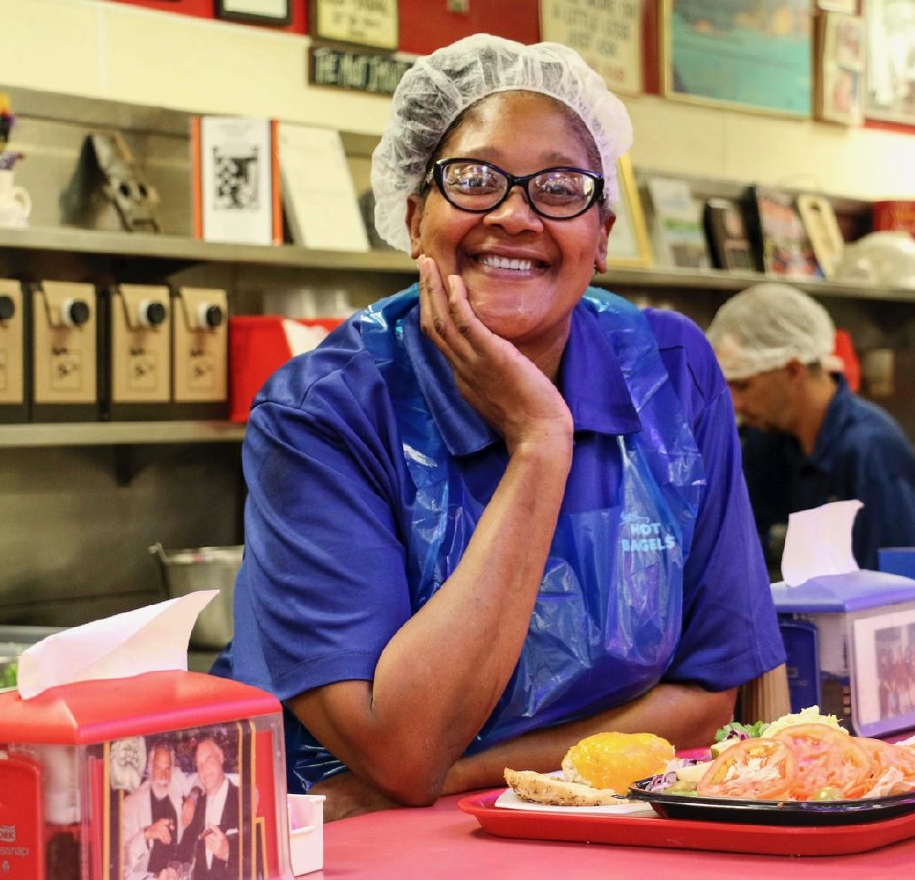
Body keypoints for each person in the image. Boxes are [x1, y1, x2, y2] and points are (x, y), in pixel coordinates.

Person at [215, 33, 786, 820]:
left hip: (600, 833)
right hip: (355, 854)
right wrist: (539, 445)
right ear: (415, 219)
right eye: (475, 180)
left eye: (559, 188)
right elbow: (402, 746)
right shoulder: (324, 413)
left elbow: (708, 698)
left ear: (604, 236)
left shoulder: (669, 370)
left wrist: (468, 775)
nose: (515, 216)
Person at [705, 282, 915, 571]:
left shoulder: (870, 452)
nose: (736, 403)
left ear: (793, 370)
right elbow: (739, 548)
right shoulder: (770, 443)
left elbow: (897, 589)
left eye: (743, 385)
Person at [120, 740, 195, 879]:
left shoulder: (176, 780)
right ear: (149, 769)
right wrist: (146, 835)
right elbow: (121, 861)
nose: (163, 776)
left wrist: (193, 797)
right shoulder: (131, 805)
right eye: (158, 768)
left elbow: (201, 778)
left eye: (167, 769)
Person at [179, 736, 245, 879]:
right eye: (199, 764)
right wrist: (173, 870)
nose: (203, 769)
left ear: (220, 756)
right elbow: (183, 852)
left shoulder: (244, 800)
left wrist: (228, 853)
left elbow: (261, 860)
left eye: (208, 759)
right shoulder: (196, 808)